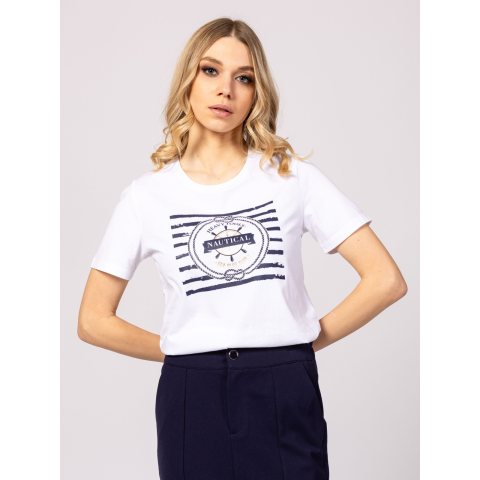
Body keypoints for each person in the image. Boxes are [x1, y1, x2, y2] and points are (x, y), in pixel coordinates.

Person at [78, 17, 407, 480]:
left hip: (283, 384)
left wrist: (301, 343)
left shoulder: (291, 178)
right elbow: (93, 320)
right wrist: (183, 352)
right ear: (188, 80)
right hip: (191, 394)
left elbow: (386, 280)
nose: (225, 89)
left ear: (257, 93)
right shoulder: (146, 197)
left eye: (244, 78)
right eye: (210, 70)